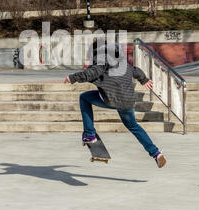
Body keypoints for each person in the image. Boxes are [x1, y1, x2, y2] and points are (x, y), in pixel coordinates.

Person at [64, 41, 166, 169]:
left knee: (84, 98)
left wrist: (73, 77)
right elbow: (136, 71)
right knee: (134, 126)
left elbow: (93, 73)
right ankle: (155, 153)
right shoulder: (122, 62)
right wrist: (144, 80)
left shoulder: (101, 59)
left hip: (112, 99)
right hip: (128, 101)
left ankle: (90, 135)